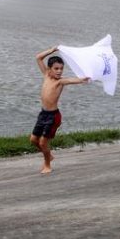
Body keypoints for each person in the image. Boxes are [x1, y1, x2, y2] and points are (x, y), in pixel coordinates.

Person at [30, 46, 89, 174]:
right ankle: (48, 155)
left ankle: (47, 165)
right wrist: (51, 50)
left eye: (61, 69)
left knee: (43, 142)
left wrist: (81, 80)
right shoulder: (46, 75)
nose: (59, 71)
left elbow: (71, 80)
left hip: (53, 116)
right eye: (56, 68)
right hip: (43, 114)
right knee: (33, 140)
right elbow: (38, 57)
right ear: (49, 69)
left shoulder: (60, 81)